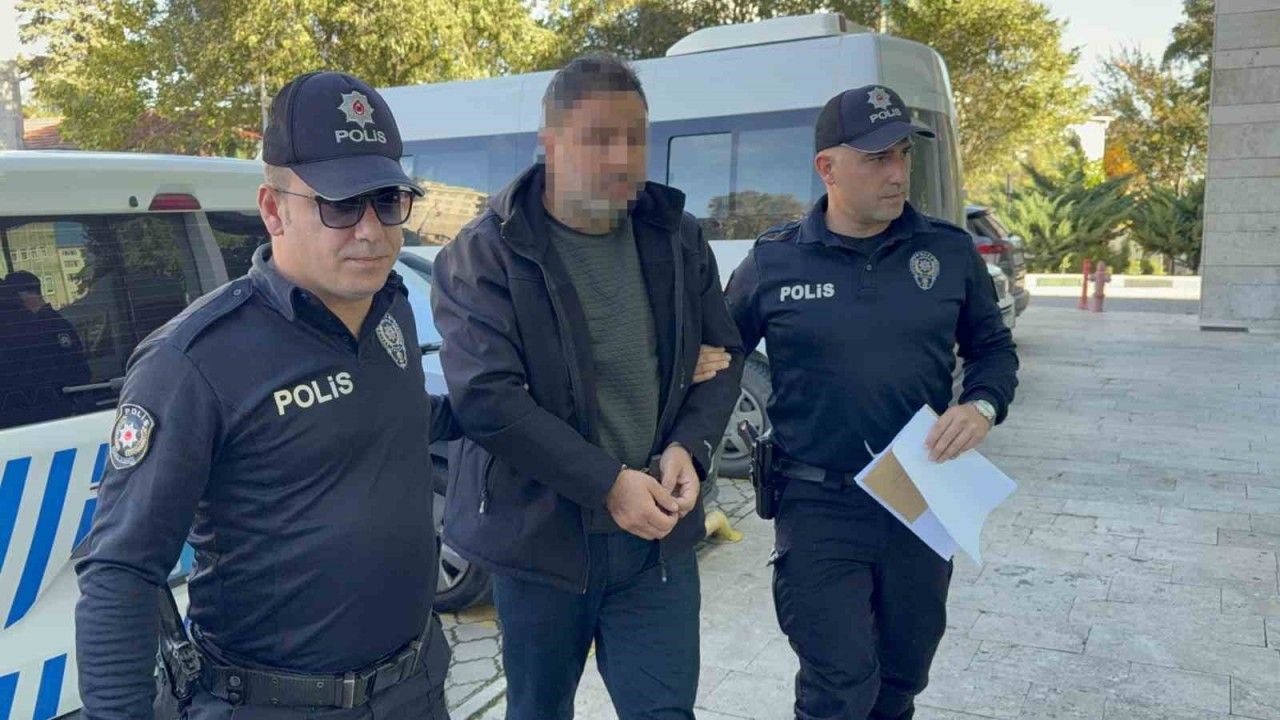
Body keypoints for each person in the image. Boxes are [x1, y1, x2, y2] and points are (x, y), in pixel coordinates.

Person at [75, 71, 458, 720]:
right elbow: (120, 571)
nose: (371, 230)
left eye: (388, 200)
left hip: (413, 688)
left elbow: (394, 421)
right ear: (274, 210)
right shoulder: (195, 361)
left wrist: (512, 406)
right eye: (341, 205)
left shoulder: (388, 307)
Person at [430, 53, 744, 720]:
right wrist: (607, 483)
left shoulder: (677, 235)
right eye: (599, 138)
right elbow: (488, 399)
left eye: (636, 137)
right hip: (541, 544)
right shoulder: (485, 252)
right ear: (550, 144)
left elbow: (726, 356)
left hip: (656, 541)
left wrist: (688, 446)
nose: (623, 158)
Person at [724, 84, 1020, 720]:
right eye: (877, 158)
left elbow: (994, 350)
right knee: (838, 686)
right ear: (827, 168)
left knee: (901, 678)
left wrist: (981, 407)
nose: (897, 173)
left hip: (920, 495)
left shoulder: (946, 251)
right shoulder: (775, 261)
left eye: (903, 154)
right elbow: (717, 359)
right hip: (817, 502)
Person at [2, 270, 90, 424]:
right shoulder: (41, 324)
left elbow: (76, 372)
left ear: (27, 295)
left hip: (58, 412)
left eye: (13, 297)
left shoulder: (51, 326)